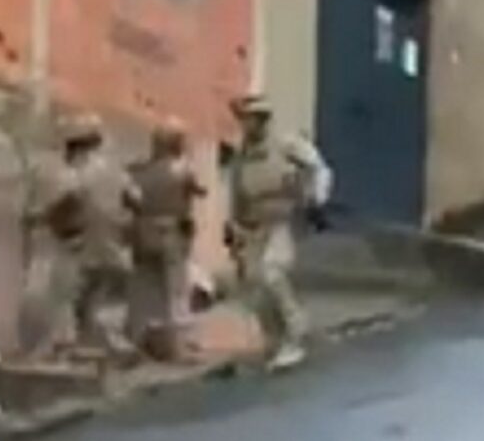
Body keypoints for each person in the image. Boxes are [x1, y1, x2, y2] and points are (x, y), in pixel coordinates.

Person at [226, 95, 333, 371]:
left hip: (284, 220)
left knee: (272, 272)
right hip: (254, 224)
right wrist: (233, 225)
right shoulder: (242, 155)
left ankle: (296, 332)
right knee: (254, 284)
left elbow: (318, 168)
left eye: (250, 119)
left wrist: (316, 201)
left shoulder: (286, 145)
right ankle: (274, 339)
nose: (245, 124)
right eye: (242, 119)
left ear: (262, 119)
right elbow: (237, 192)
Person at [21, 112, 139, 360]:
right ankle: (98, 349)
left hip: (75, 249)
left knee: (63, 299)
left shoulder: (63, 173)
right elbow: (137, 200)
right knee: (94, 304)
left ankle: (64, 349)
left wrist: (37, 218)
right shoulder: (114, 171)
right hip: (109, 251)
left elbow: (50, 210)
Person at [126, 117, 206, 360]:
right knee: (177, 289)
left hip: (143, 232)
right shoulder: (182, 169)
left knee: (146, 288)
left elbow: (130, 199)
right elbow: (200, 190)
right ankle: (180, 343)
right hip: (172, 232)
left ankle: (145, 339)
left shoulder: (138, 170)